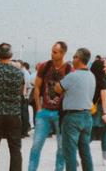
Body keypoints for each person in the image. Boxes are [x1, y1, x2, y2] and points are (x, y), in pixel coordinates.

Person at [29, 41, 72, 171]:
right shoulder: (45, 66)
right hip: (45, 112)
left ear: (63, 53)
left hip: (61, 114)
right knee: (36, 145)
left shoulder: (69, 69)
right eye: (52, 51)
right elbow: (37, 87)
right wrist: (39, 108)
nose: (52, 54)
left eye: (55, 52)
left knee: (61, 147)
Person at [54, 48, 96, 171]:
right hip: (87, 116)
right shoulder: (92, 76)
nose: (72, 59)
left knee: (70, 153)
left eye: (74, 57)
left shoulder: (72, 76)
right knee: (85, 152)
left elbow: (57, 88)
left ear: (78, 58)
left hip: (72, 116)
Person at [0, 43, 25, 171]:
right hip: (13, 114)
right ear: (11, 55)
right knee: (15, 150)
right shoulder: (18, 73)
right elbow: (20, 91)